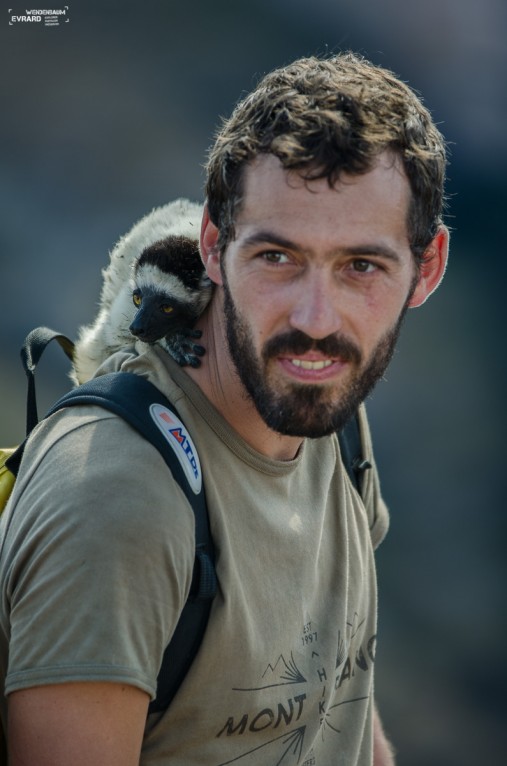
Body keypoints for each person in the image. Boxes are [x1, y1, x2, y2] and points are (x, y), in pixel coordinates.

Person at [0, 52, 448, 765]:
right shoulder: (116, 501)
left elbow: (340, 710)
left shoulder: (328, 416)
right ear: (213, 245)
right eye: (276, 256)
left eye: (361, 266)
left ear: (425, 269)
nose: (315, 317)